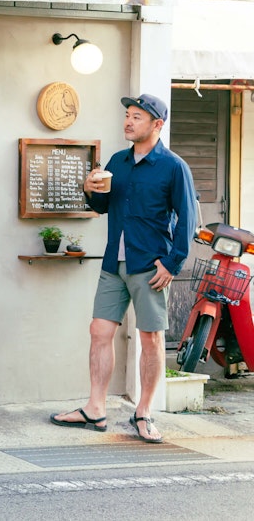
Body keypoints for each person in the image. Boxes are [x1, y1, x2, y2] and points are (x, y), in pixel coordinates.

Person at [50, 93, 197, 444]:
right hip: (113, 263)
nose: (128, 122)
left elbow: (188, 220)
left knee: (151, 338)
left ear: (157, 124)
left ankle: (144, 411)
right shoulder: (118, 160)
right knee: (99, 331)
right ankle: (95, 407)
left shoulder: (174, 167)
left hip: (150, 265)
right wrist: (90, 191)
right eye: (127, 115)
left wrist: (173, 263)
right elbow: (103, 206)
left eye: (137, 117)